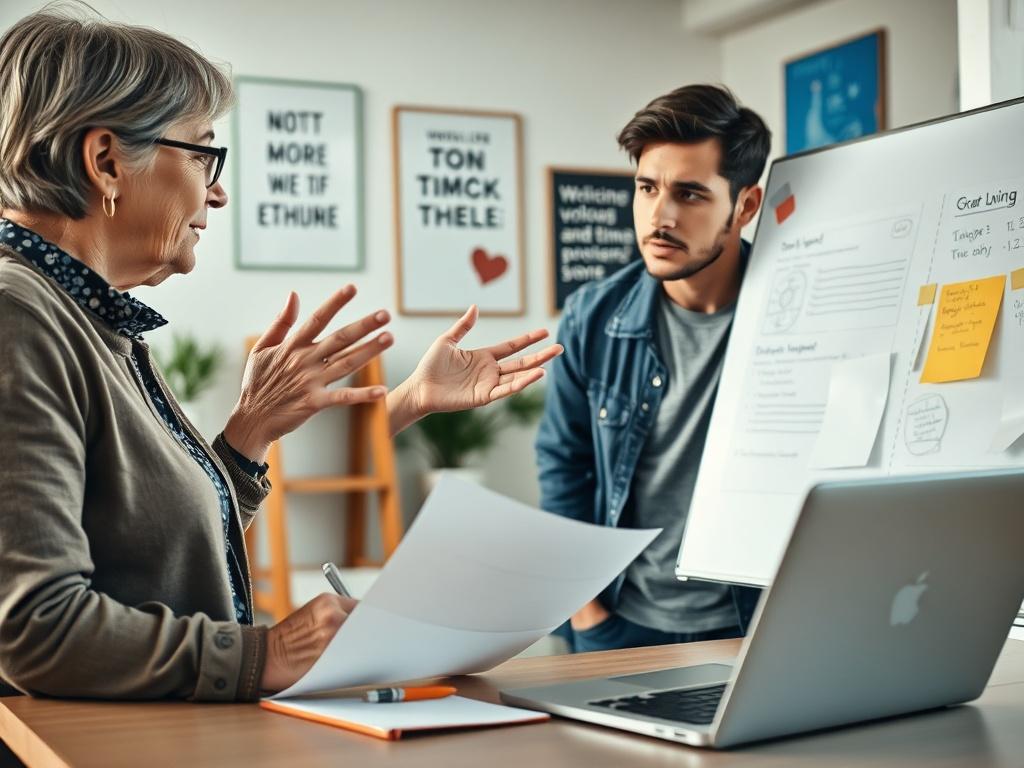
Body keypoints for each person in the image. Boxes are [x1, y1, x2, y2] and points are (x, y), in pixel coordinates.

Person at [0, 8, 561, 701]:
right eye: (203, 152)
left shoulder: (88, 319)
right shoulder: (18, 314)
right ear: (107, 161)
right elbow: (33, 630)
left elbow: (151, 559)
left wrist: (250, 434)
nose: (219, 188)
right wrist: (272, 651)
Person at [536, 84, 770, 653]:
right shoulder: (593, 316)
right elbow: (564, 467)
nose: (659, 216)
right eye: (647, 188)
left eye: (690, 194)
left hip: (756, 626)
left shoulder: (792, 314)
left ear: (745, 206)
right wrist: (587, 614)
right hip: (619, 625)